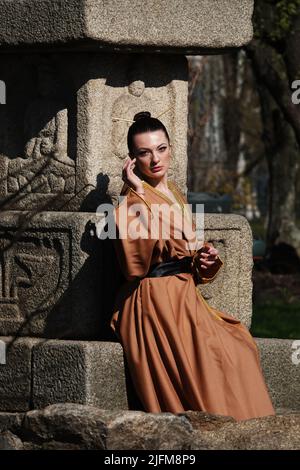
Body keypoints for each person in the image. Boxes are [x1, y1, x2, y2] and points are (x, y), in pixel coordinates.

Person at [110, 111, 276, 421]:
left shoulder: (173, 193)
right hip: (155, 300)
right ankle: (215, 427)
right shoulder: (132, 199)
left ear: (171, 148)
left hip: (183, 294)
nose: (155, 159)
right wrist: (139, 190)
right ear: (133, 159)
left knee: (240, 345)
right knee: (211, 355)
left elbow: (186, 252)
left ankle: (247, 428)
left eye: (161, 148)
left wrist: (205, 258)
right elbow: (135, 263)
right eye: (144, 152)